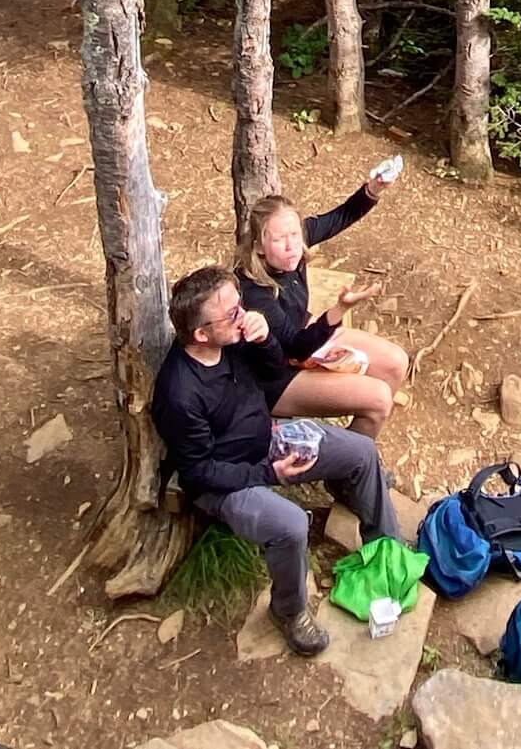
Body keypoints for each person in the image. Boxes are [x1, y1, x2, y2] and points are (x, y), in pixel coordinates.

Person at [152, 263, 402, 658]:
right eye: (232, 312)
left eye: (240, 306)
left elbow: (272, 373)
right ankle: (289, 612)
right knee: (289, 524)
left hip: (266, 439)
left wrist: (266, 338)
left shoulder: (231, 340)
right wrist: (268, 473)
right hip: (227, 481)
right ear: (201, 333)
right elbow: (199, 472)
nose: (243, 315)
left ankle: (387, 550)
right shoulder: (179, 393)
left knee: (361, 452)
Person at [237, 180, 411, 437]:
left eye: (295, 235)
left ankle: (354, 451)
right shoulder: (254, 291)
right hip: (273, 378)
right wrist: (340, 309)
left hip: (304, 333)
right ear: (260, 247)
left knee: (396, 362)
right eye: (279, 239)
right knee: (379, 399)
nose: (291, 245)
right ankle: (353, 462)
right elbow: (296, 348)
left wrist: (372, 190)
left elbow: (340, 217)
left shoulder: (292, 248)